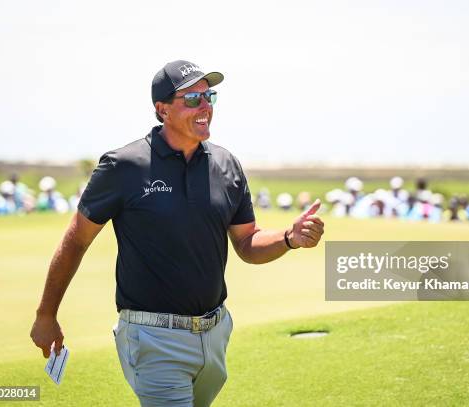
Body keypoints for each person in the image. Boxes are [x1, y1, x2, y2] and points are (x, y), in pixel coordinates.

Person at [29, 59, 324, 407]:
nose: (205, 107)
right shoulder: (124, 166)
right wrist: (46, 314)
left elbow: (247, 242)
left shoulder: (226, 164)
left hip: (214, 334)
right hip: (153, 336)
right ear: (162, 109)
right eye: (193, 99)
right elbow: (76, 240)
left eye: (209, 97)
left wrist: (289, 237)